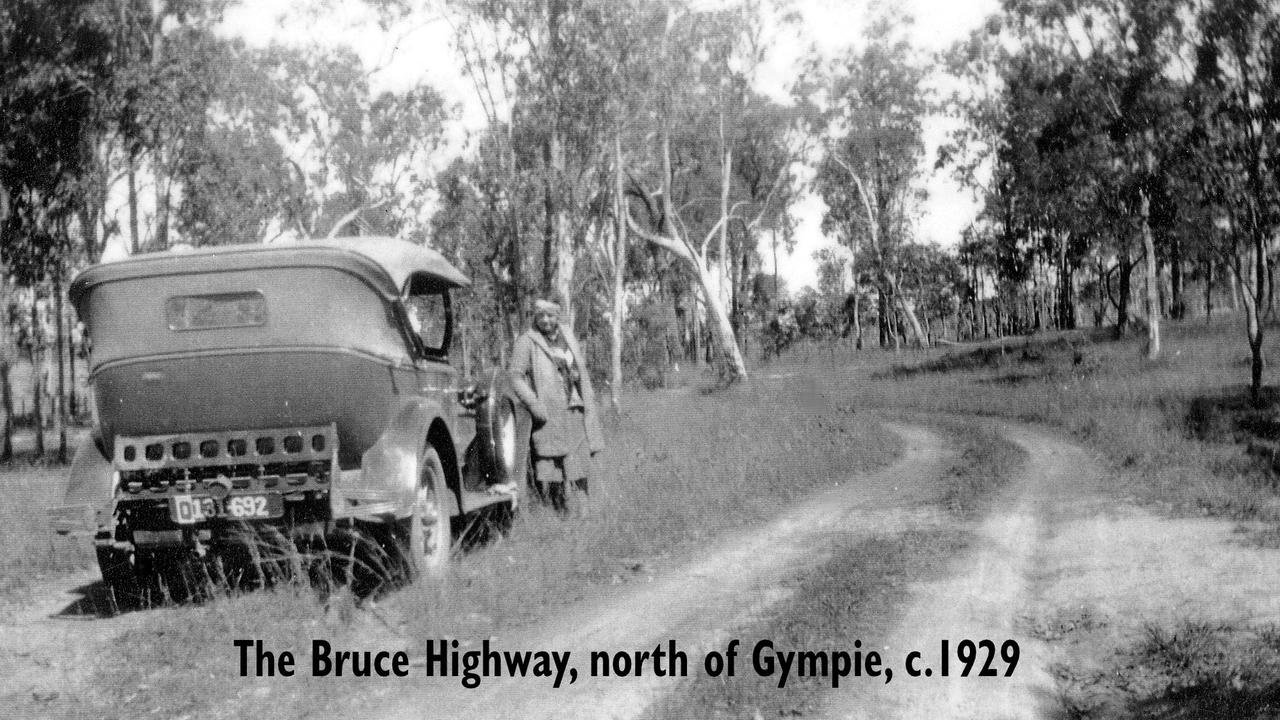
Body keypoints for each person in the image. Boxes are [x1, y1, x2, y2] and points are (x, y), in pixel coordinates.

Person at [509, 298, 604, 516]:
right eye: (540, 315)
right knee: (553, 465)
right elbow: (515, 377)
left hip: (573, 407)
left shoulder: (567, 335)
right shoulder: (527, 341)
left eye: (550, 315)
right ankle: (559, 514)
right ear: (535, 316)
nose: (545, 320)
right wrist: (534, 404)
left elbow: (578, 366)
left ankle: (584, 513)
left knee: (579, 462)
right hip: (548, 413)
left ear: (557, 315)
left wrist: (578, 378)